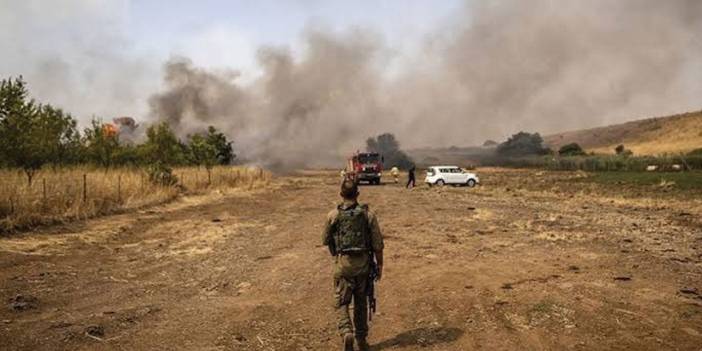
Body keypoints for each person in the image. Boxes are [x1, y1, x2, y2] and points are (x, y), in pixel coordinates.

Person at [322, 179, 384, 351]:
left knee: (341, 302)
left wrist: (336, 254)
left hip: (343, 265)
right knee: (361, 303)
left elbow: (325, 239)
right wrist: (380, 266)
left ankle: (346, 331)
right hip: (364, 266)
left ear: (341, 194)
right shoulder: (368, 215)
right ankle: (361, 339)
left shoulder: (333, 215)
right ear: (357, 194)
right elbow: (378, 244)